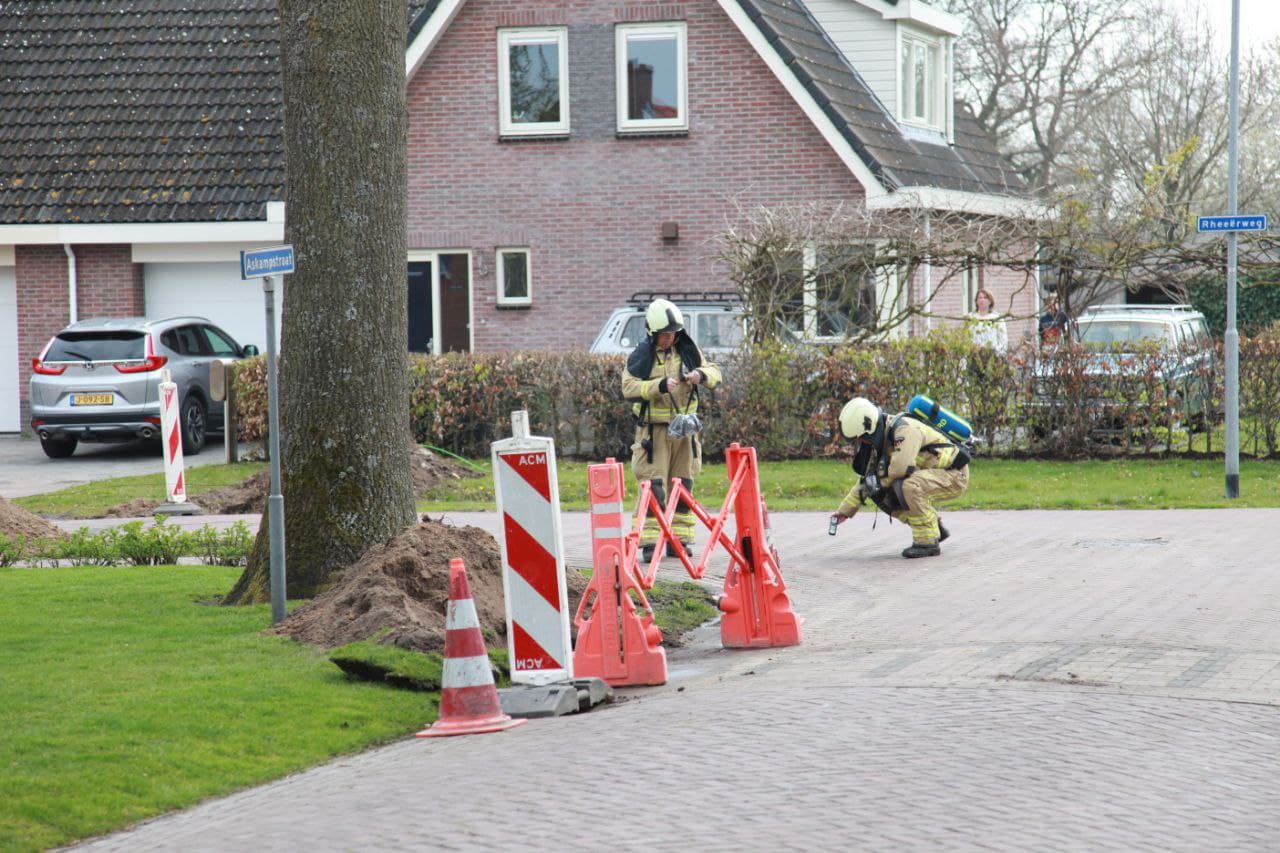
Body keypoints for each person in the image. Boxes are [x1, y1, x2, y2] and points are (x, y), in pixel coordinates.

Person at [622, 298, 723, 561]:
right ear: (653, 333)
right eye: (665, 334)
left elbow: (714, 373)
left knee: (683, 484)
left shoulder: (688, 350)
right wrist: (658, 386)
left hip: (685, 432)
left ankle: (679, 540)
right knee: (653, 485)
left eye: (673, 333)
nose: (670, 338)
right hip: (653, 433)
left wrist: (701, 375)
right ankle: (649, 542)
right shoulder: (641, 356)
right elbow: (628, 387)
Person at [829, 397, 969, 559]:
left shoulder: (905, 430)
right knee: (878, 492)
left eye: (860, 438)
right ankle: (934, 527)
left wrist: (874, 484)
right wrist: (845, 511)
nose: (860, 442)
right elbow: (869, 477)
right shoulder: (883, 435)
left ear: (868, 428)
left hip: (954, 475)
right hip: (934, 474)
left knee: (908, 486)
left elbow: (899, 469)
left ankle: (927, 541)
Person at [965, 287, 1007, 352]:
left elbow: (1003, 341)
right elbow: (965, 338)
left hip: (992, 355)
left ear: (990, 301)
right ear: (976, 301)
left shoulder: (997, 318)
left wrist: (996, 353)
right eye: (980, 297)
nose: (982, 300)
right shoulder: (970, 317)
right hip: (973, 354)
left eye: (985, 298)